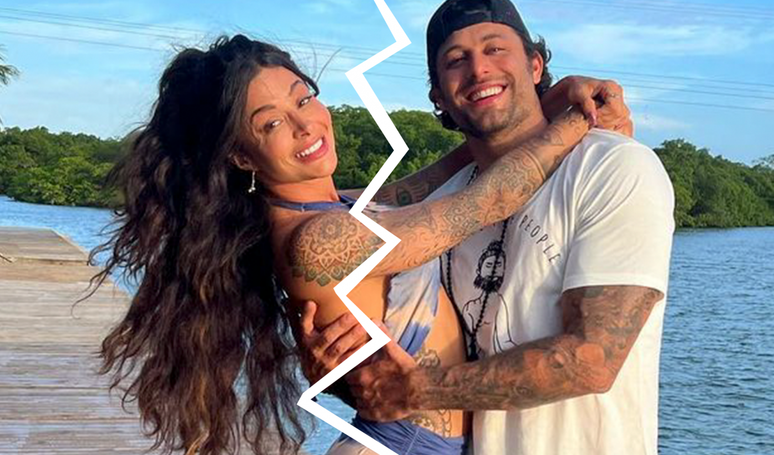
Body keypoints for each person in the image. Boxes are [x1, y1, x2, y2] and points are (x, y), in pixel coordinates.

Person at [89, 33, 629, 455]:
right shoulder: (320, 240)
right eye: (272, 123)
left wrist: (546, 98)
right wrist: (580, 118)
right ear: (242, 156)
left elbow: (443, 172)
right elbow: (489, 199)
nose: (305, 126)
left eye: (304, 99)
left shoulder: (338, 210)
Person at [298, 1, 675, 454]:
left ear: (535, 66)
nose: (478, 69)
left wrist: (418, 390)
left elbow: (593, 359)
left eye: (495, 49)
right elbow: (393, 386)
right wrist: (340, 371)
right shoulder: (442, 206)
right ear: (438, 96)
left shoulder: (613, 168)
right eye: (456, 60)